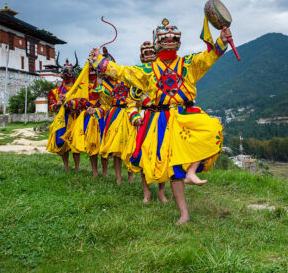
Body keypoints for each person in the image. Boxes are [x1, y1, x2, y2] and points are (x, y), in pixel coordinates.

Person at [90, 18, 232, 224]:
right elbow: (122, 72)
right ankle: (184, 213)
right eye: (165, 38)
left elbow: (208, 57)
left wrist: (222, 40)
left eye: (174, 38)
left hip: (186, 114)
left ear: (179, 42)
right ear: (157, 42)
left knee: (213, 130)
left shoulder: (188, 63)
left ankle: (191, 171)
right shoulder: (147, 71)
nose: (170, 41)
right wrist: (99, 62)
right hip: (161, 120)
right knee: (173, 168)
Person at [126, 41, 167, 203]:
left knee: (162, 155)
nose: (150, 57)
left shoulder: (164, 76)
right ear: (142, 58)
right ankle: (146, 193)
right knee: (144, 157)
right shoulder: (138, 80)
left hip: (163, 119)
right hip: (146, 121)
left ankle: (161, 192)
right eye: (146, 54)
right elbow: (130, 103)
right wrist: (135, 116)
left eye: (152, 53)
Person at [96, 48, 138, 185]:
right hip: (113, 116)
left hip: (127, 114)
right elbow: (105, 105)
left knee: (129, 146)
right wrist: (96, 111)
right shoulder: (104, 86)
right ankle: (119, 179)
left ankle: (130, 177)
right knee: (115, 150)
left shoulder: (125, 80)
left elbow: (134, 97)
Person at [46, 54, 88, 171]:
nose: (66, 77)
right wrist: (57, 104)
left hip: (75, 118)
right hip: (62, 119)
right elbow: (51, 107)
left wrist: (70, 103)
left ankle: (77, 167)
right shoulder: (54, 91)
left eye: (68, 74)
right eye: (64, 75)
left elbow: (83, 103)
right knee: (62, 143)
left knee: (74, 143)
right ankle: (66, 166)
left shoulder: (78, 89)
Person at [68, 62, 106, 177]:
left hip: (101, 116)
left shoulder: (104, 85)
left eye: (95, 70)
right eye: (91, 71)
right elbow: (77, 102)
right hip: (87, 118)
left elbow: (108, 102)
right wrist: (69, 101)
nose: (93, 73)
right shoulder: (82, 87)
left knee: (103, 144)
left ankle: (105, 173)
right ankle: (95, 172)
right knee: (91, 145)